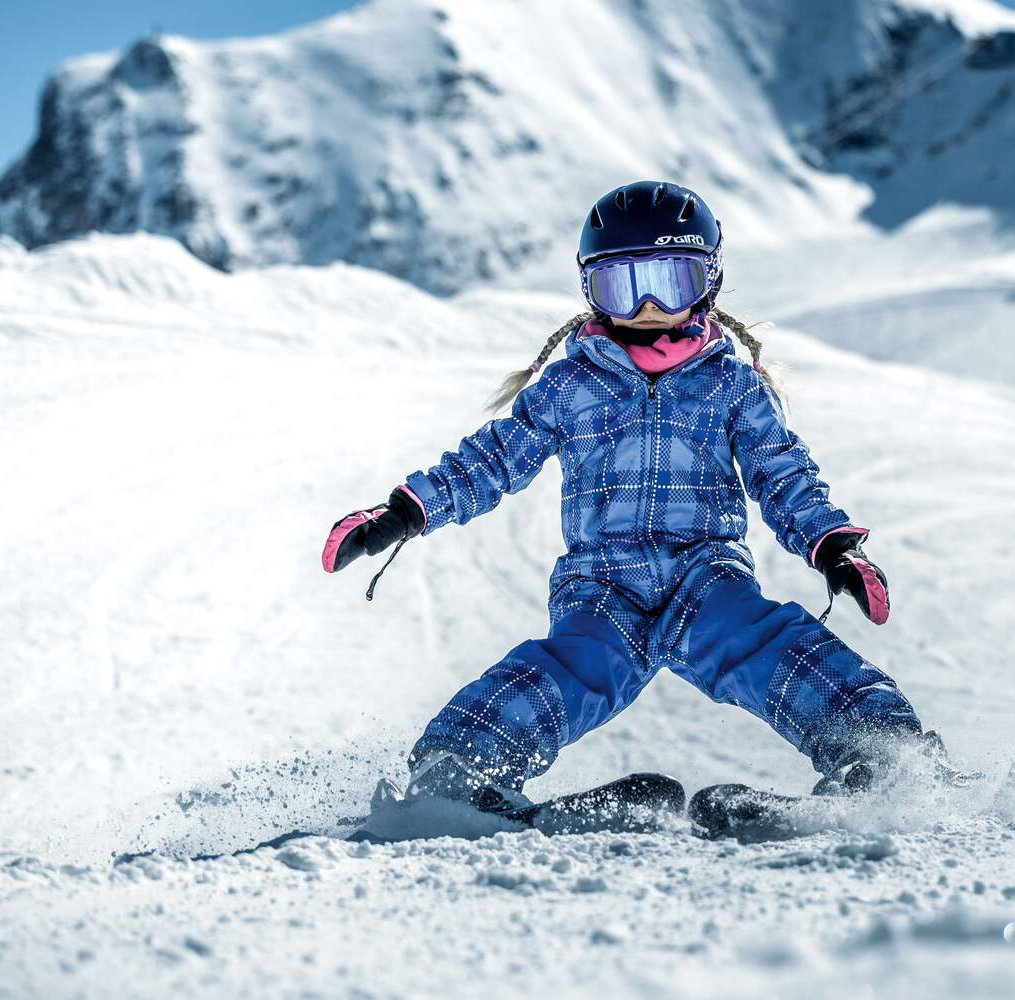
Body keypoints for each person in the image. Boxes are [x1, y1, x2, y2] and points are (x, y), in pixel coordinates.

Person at [321, 181, 949, 817]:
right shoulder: (570, 385)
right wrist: (406, 511)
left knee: (771, 647)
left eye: (671, 282)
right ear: (591, 291)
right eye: (623, 287)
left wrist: (832, 545)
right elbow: (493, 458)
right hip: (604, 584)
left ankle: (885, 754)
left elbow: (781, 472)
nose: (648, 307)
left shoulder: (731, 385)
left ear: (709, 282)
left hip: (706, 577)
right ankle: (457, 771)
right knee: (566, 670)